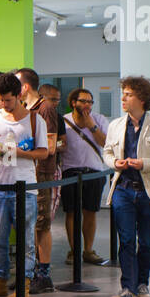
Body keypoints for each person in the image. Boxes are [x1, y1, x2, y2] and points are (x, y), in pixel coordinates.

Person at [0, 72, 48, 297]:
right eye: (1, 100)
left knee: (26, 239)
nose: (4, 105)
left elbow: (44, 152)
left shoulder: (35, 121)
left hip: (25, 188)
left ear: (19, 95)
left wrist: (20, 153)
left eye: (8, 100)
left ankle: (23, 286)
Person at [104, 76, 150, 297]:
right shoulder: (115, 125)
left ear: (142, 98)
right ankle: (127, 288)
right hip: (123, 189)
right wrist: (114, 164)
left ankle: (142, 283)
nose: (123, 98)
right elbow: (107, 153)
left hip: (148, 191)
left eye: (128, 94)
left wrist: (144, 163)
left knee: (147, 241)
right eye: (124, 93)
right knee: (127, 239)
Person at [15, 68, 60, 293]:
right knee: (29, 223)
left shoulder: (46, 109)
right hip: (27, 173)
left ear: (24, 87)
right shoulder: (25, 110)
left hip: (41, 172)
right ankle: (30, 272)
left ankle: (44, 274)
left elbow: (50, 147)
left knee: (41, 223)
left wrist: (24, 151)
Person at [61, 87, 109, 265]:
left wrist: (92, 126)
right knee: (72, 212)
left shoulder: (99, 119)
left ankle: (88, 250)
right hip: (70, 171)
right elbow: (58, 143)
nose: (87, 104)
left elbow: (105, 143)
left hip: (94, 171)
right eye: (83, 101)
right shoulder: (64, 120)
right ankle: (74, 251)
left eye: (90, 101)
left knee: (90, 212)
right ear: (74, 103)